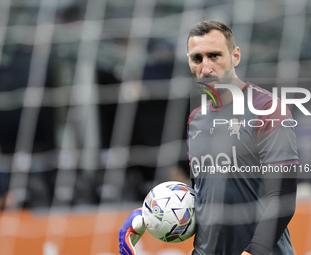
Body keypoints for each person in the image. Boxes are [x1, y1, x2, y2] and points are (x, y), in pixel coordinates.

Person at [119, 20, 299, 255]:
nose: (205, 67)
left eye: (214, 56)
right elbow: (205, 197)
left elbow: (283, 198)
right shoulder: (196, 120)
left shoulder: (268, 109)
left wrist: (253, 252)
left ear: (235, 56)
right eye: (197, 58)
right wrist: (151, 214)